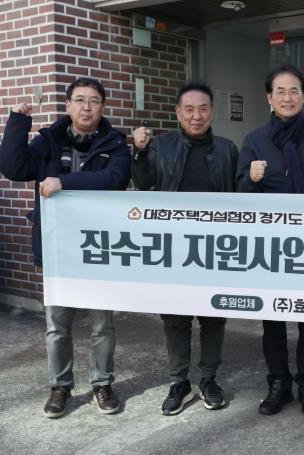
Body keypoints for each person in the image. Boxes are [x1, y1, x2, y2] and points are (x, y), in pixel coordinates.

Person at [0, 77, 131, 418]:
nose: (87, 107)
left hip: (99, 248)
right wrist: (18, 122)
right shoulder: (49, 140)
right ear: (68, 105)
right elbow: (14, 168)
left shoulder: (115, 143)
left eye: (94, 101)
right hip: (58, 248)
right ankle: (60, 386)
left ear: (103, 107)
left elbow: (114, 179)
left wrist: (63, 182)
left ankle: (102, 383)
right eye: (80, 100)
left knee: (102, 324)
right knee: (57, 325)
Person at [131, 82, 238, 416]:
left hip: (215, 248)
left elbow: (240, 198)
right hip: (174, 249)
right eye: (189, 109)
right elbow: (143, 183)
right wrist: (139, 151)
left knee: (213, 317)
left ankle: (208, 380)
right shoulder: (161, 146)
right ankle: (179, 382)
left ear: (212, 112)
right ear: (178, 113)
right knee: (175, 318)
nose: (196, 116)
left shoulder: (227, 149)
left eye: (203, 108)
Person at [236, 64, 304, 417]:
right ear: (269, 97)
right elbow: (239, 196)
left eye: (294, 90)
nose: (287, 97)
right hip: (272, 246)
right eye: (280, 91)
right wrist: (251, 179)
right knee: (273, 318)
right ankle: (278, 383)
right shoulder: (254, 141)